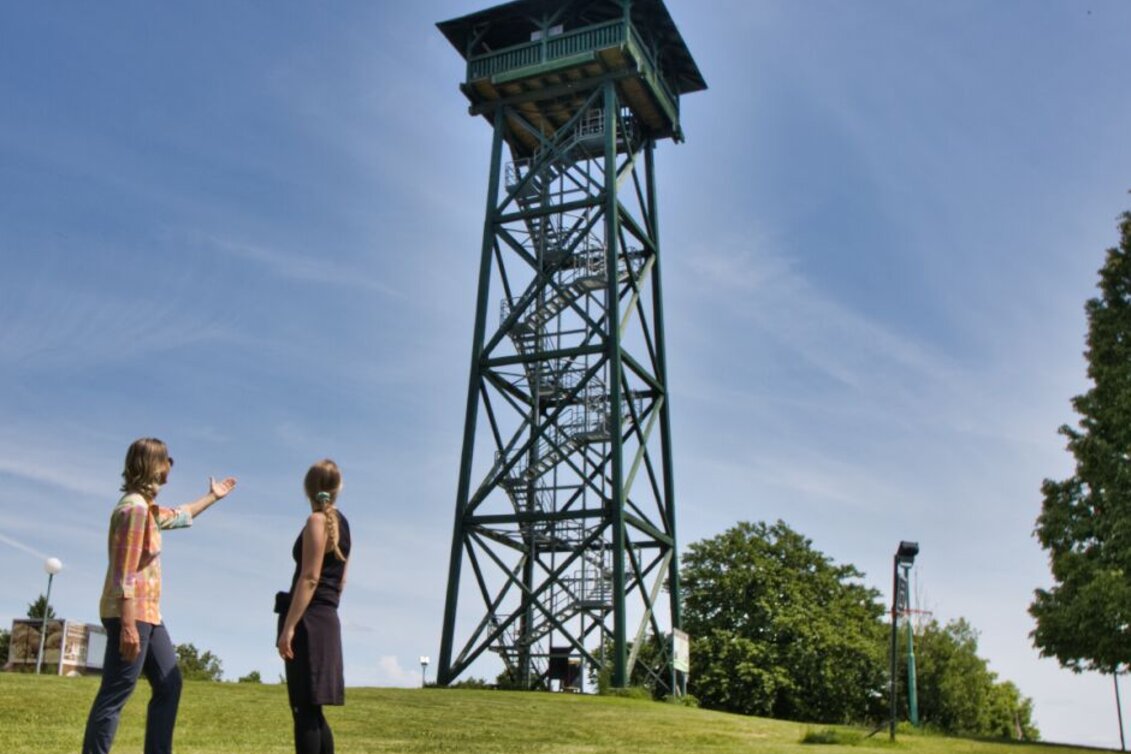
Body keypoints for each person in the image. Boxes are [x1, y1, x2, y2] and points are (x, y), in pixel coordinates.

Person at [82, 437, 237, 754]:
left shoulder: (147, 510)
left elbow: (179, 514)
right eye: (166, 459)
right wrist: (127, 626)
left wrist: (212, 496)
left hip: (149, 614)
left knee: (169, 683)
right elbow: (124, 574)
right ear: (151, 466)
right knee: (116, 691)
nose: (170, 465)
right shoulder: (134, 510)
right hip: (131, 613)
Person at [276, 458, 351, 754]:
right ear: (338, 488)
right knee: (314, 710)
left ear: (308, 489)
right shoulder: (342, 526)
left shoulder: (316, 522)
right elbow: (341, 580)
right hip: (328, 619)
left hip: (307, 621)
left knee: (303, 710)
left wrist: (290, 627)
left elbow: (309, 577)